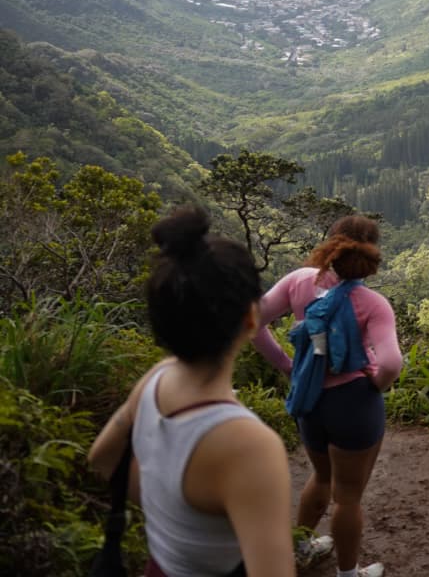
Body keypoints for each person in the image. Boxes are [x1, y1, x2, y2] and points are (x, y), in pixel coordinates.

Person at [89, 204, 295, 576]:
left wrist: (171, 509)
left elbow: (101, 460)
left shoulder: (154, 381)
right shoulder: (249, 444)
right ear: (252, 319)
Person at [253, 215, 402, 577]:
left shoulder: (298, 282)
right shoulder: (372, 303)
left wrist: (288, 367)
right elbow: (392, 362)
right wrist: (376, 385)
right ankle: (349, 574)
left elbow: (253, 320)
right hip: (353, 401)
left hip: (309, 399)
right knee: (347, 497)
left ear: (330, 243)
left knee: (320, 477)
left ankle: (300, 549)